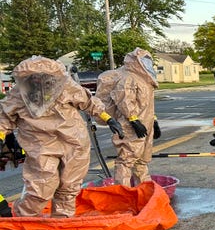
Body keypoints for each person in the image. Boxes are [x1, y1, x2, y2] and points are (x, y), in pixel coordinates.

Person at [0, 56, 124, 217]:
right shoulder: (19, 94)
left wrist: (109, 119)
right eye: (33, 79)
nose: (39, 82)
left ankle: (60, 224)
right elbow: (5, 117)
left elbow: (88, 102)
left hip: (73, 142)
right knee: (41, 188)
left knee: (69, 187)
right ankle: (20, 221)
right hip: (40, 144)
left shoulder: (66, 86)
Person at [106, 48, 162, 186]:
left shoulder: (146, 81)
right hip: (130, 126)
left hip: (145, 125)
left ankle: (143, 191)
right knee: (126, 160)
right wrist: (133, 120)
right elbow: (124, 100)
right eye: (144, 61)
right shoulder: (128, 79)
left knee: (142, 161)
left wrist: (154, 121)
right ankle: (122, 194)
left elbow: (147, 105)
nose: (147, 64)